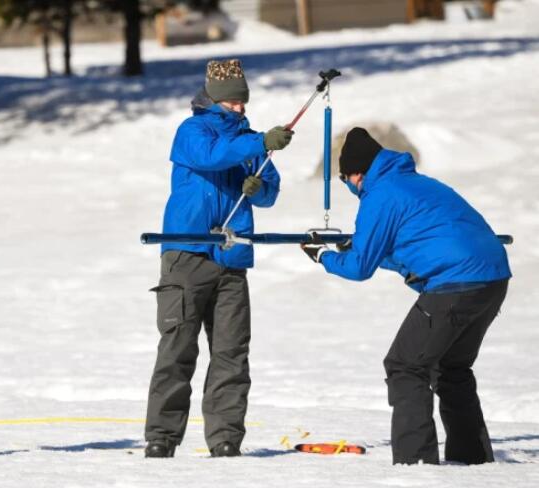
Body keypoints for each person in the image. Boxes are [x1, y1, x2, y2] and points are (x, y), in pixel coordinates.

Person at [301, 127, 511, 465]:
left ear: (356, 173)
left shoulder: (380, 194)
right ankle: (472, 460)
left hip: (454, 284)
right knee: (451, 367)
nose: (350, 187)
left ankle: (415, 465)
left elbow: (358, 269)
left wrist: (322, 256)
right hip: (492, 279)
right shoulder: (419, 184)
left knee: (405, 366)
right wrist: (360, 248)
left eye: (346, 180)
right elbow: (411, 248)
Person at [144, 59, 293, 458]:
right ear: (213, 99)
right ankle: (162, 437)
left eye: (242, 102)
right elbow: (212, 157)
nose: (240, 108)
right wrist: (260, 143)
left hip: (232, 256)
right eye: (232, 103)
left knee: (231, 353)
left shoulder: (248, 139)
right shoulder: (192, 131)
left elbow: (269, 193)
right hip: (187, 254)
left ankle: (226, 438)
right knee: (177, 350)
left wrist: (257, 185)